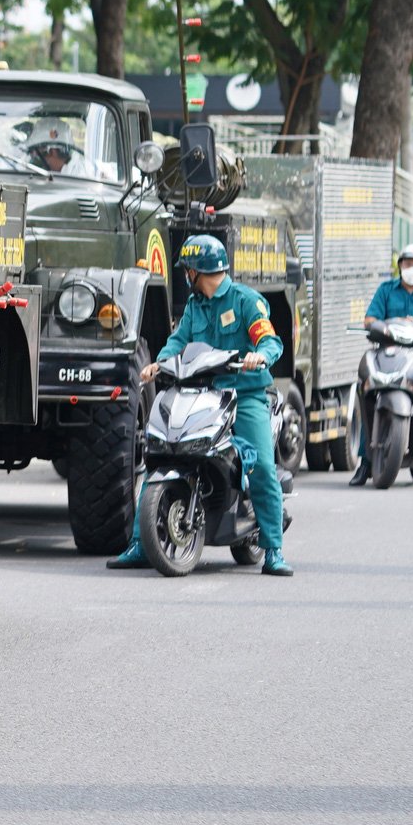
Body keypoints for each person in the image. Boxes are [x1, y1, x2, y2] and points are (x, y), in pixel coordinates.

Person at [108, 233, 290, 576]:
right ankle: (141, 543)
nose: (185, 275)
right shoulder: (196, 306)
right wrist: (159, 364)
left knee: (262, 466)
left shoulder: (246, 301)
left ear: (198, 271)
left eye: (187, 269)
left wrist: (259, 356)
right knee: (163, 453)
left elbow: (269, 340)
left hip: (244, 394)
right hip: (203, 391)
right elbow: (179, 341)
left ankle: (274, 548)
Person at [352, 241, 413, 487]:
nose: (411, 268)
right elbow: (370, 318)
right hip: (389, 351)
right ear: (400, 266)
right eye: (407, 264)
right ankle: (365, 464)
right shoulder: (387, 289)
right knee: (370, 395)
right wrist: (383, 326)